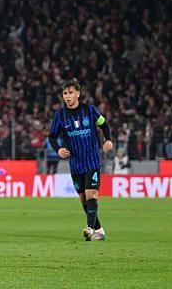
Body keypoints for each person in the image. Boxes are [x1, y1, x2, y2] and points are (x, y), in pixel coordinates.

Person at [47, 79, 113, 242]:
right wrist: (58, 149)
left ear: (78, 94)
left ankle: (89, 229)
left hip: (91, 160)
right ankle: (99, 230)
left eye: (70, 93)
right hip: (75, 163)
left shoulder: (90, 111)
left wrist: (108, 139)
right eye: (65, 93)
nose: (67, 96)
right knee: (83, 198)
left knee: (91, 194)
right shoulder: (60, 116)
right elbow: (52, 137)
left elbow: (104, 125)